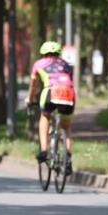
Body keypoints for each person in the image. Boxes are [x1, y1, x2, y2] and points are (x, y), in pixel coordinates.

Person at [27, 41, 75, 173]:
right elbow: (70, 81)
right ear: (58, 53)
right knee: (66, 125)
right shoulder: (67, 64)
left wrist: (29, 99)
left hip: (51, 92)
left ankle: (43, 151)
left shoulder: (38, 64)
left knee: (45, 116)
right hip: (68, 93)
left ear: (43, 54)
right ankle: (67, 158)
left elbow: (33, 85)